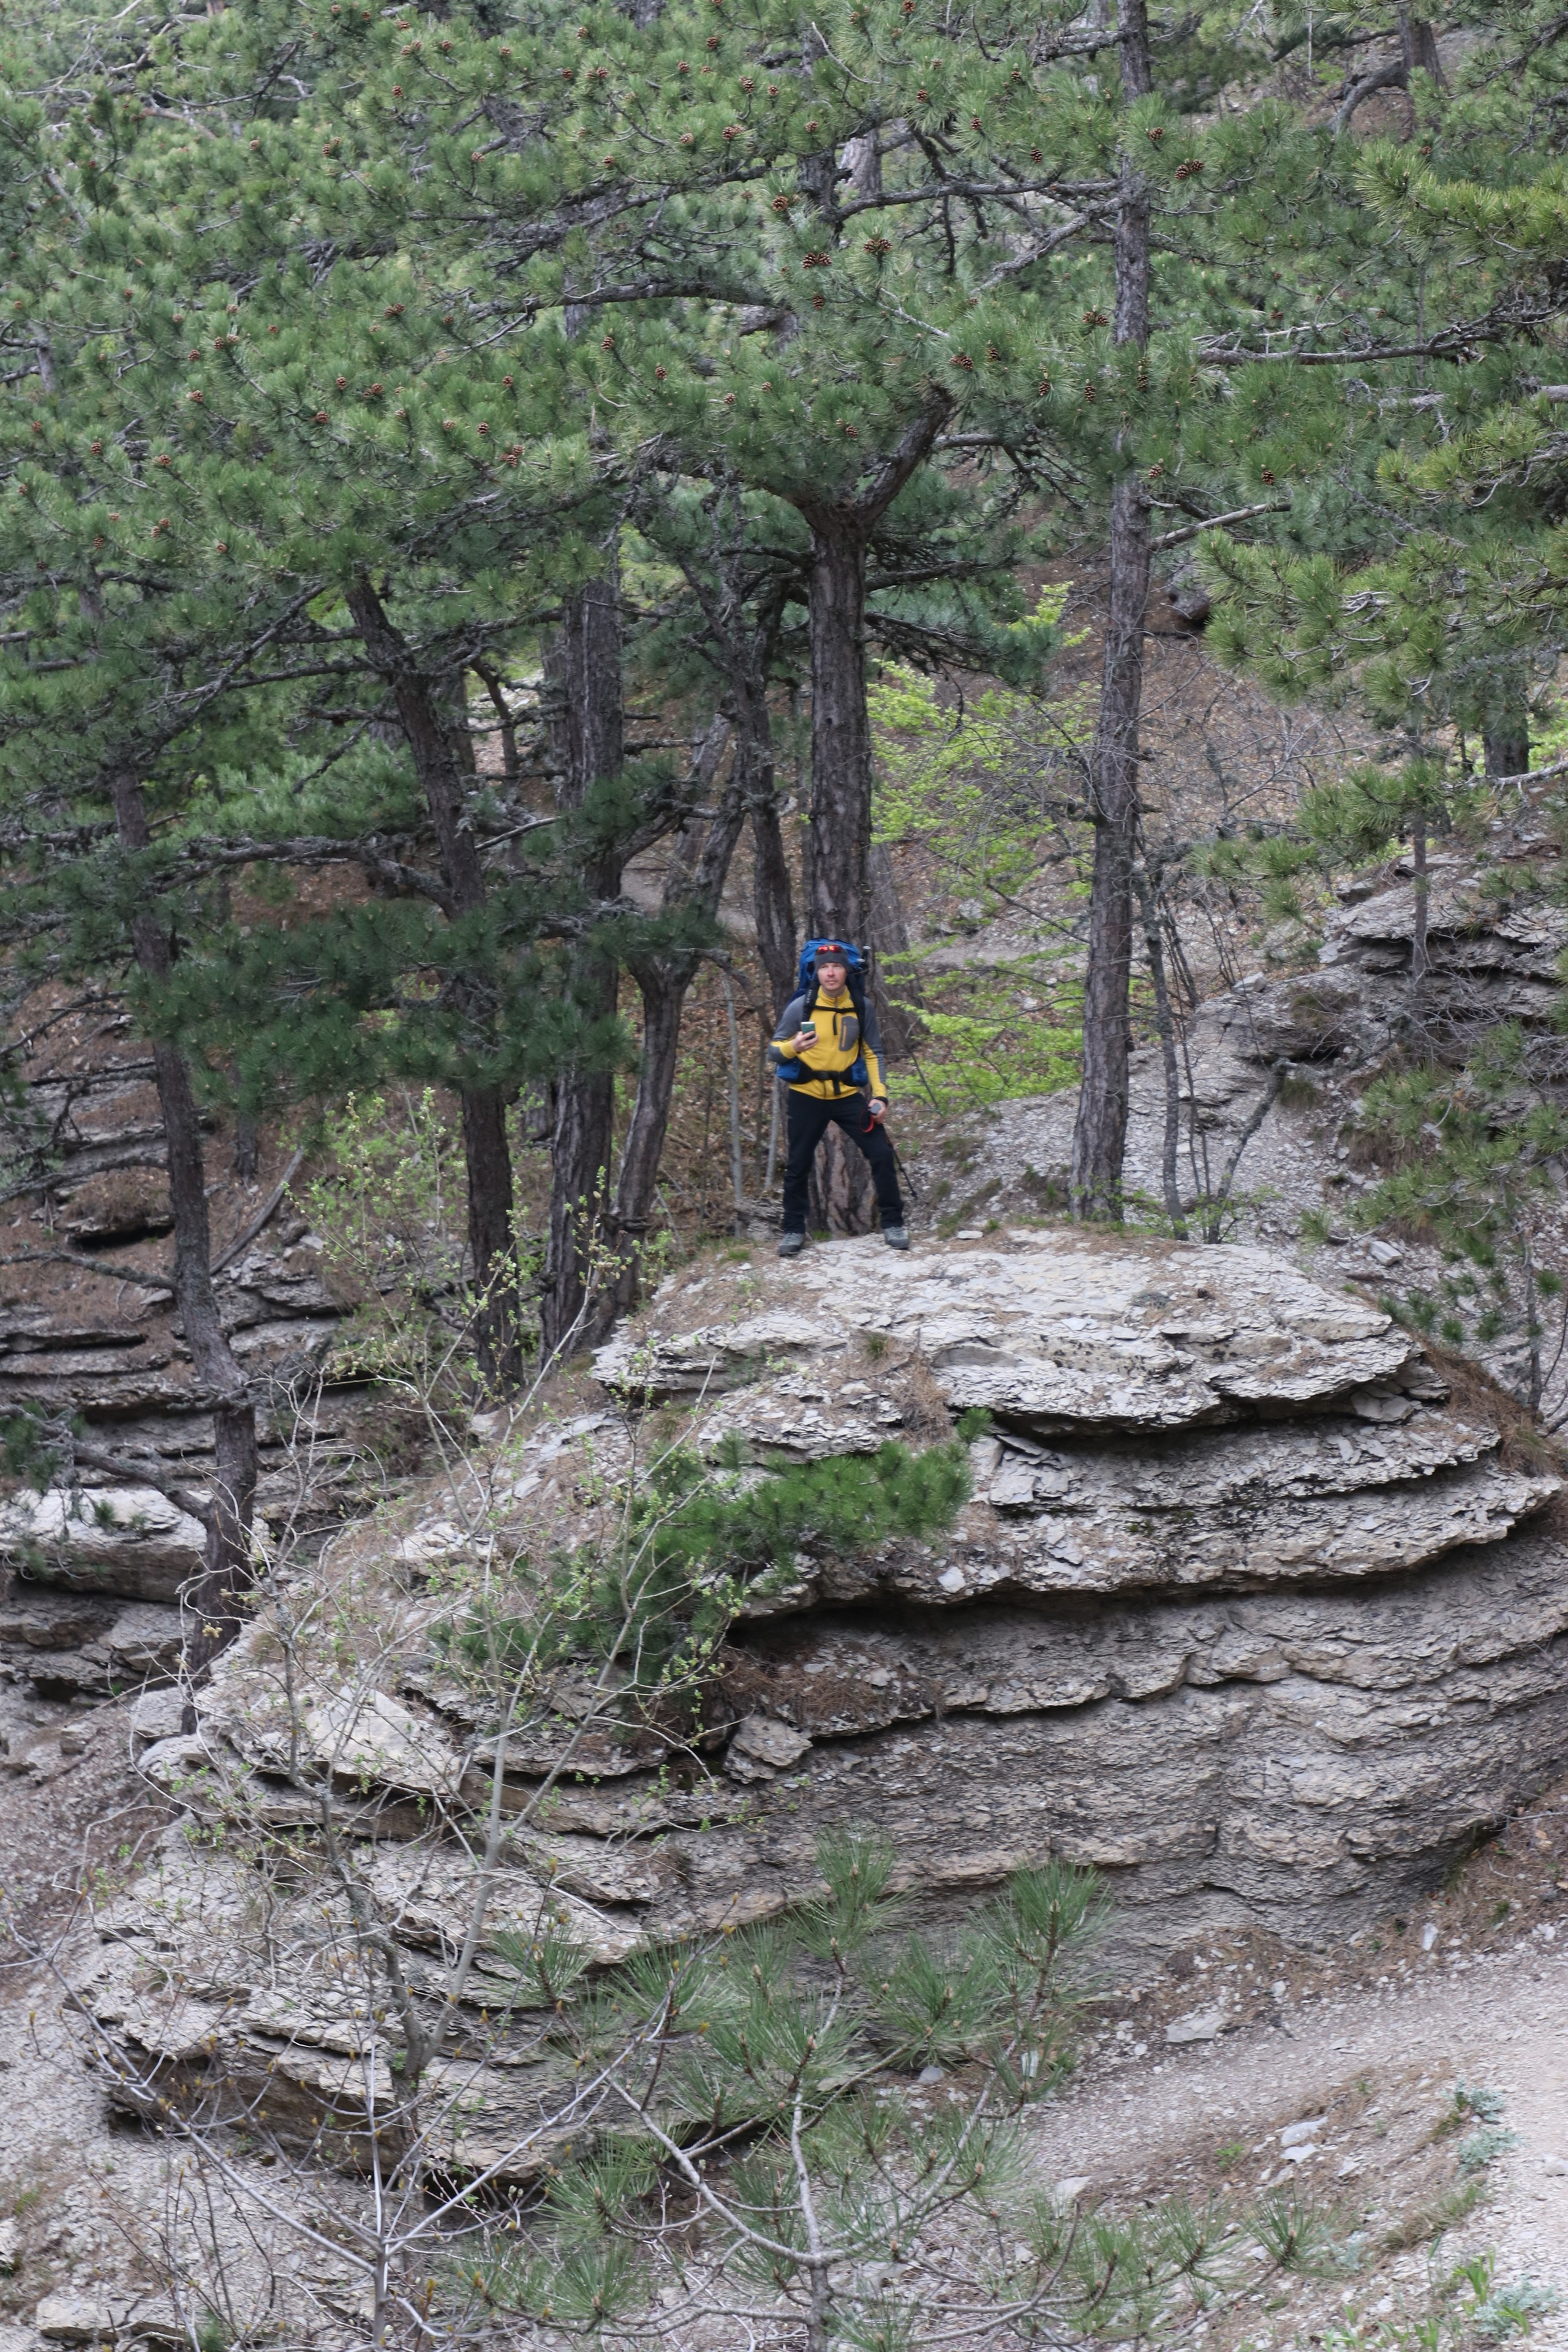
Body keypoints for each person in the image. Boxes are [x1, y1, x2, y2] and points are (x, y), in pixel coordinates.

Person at [767, 942, 908, 1257]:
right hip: (806, 1095)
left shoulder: (861, 1005)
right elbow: (773, 1050)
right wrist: (794, 1047)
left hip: (848, 1096)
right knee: (797, 1165)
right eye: (824, 967)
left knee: (882, 1154)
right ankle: (793, 1231)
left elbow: (874, 1053)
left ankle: (893, 1223)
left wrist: (881, 1097)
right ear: (816, 972)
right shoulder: (801, 1006)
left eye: (837, 966)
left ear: (847, 970)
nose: (830, 973)